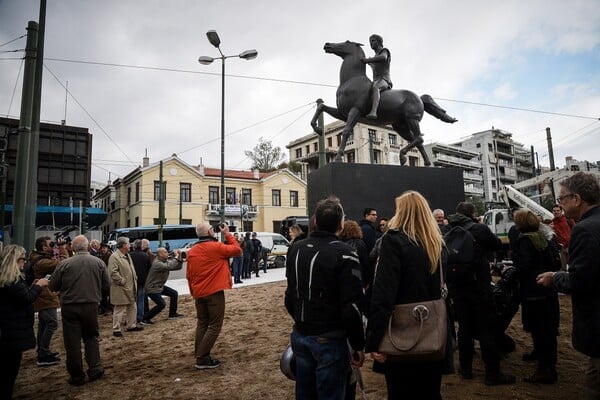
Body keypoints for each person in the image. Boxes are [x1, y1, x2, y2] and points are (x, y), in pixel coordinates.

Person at [364, 191, 445, 399]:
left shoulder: (393, 241)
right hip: (433, 333)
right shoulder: (435, 243)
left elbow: (383, 294)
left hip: (401, 335)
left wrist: (374, 340)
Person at [285, 199, 365, 400]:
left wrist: (302, 321)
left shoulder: (296, 248)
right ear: (341, 224)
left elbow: (290, 295)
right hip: (329, 338)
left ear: (315, 222)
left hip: (301, 333)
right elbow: (351, 305)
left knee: (305, 392)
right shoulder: (345, 253)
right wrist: (358, 344)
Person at [537, 172, 600, 398]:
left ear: (577, 199)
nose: (559, 204)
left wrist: (555, 277)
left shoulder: (584, 229)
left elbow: (580, 280)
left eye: (562, 198)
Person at [446, 201, 515, 385]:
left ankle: (465, 369)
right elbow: (497, 245)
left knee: (464, 327)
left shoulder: (448, 229)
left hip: (456, 286)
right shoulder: (479, 229)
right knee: (486, 328)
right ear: (472, 213)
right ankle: (492, 373)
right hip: (479, 285)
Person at [48, 235, 110, 386]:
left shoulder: (64, 264)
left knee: (72, 342)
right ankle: (95, 368)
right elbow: (107, 285)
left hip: (70, 306)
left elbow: (53, 286)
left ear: (73, 248)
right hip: (91, 305)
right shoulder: (98, 262)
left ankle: (76, 375)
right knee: (91, 337)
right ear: (88, 247)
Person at [509, 210, 560, 384]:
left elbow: (522, 267)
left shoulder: (524, 241)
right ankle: (542, 356)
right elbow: (557, 262)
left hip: (532, 291)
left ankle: (546, 369)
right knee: (548, 329)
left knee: (540, 329)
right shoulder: (548, 238)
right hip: (548, 289)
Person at [186, 222, 241, 369]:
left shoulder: (192, 251)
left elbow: (189, 274)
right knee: (215, 325)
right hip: (214, 291)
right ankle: (202, 358)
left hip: (199, 292)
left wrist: (193, 291)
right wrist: (227, 233)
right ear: (209, 233)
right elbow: (237, 250)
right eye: (212, 229)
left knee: (202, 323)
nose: (213, 230)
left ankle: (200, 353)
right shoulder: (215, 247)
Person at [0, 245, 48, 399]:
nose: (25, 263)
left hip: (7, 330)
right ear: (17, 260)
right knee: (9, 373)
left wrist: (31, 287)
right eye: (23, 259)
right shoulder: (13, 279)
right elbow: (25, 299)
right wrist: (39, 286)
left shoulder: (6, 279)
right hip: (12, 332)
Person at [29, 236, 69, 366]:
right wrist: (62, 249)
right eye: (50, 244)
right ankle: (43, 354)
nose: (53, 246)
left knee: (44, 324)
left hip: (45, 296)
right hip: (45, 297)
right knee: (51, 323)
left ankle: (43, 352)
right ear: (43, 247)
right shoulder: (41, 261)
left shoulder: (39, 258)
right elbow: (63, 264)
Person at [108, 237, 144, 337]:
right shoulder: (114, 256)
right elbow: (112, 272)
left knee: (132, 306)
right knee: (119, 308)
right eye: (128, 243)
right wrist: (122, 281)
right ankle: (116, 329)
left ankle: (131, 325)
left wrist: (134, 278)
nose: (130, 245)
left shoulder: (127, 255)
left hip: (130, 287)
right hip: (121, 288)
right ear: (123, 245)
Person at [140, 247, 184, 324]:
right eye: (165, 252)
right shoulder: (157, 263)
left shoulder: (164, 261)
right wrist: (176, 256)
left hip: (159, 286)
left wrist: (179, 256)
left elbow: (177, 267)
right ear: (160, 254)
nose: (167, 253)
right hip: (152, 288)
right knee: (161, 304)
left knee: (174, 293)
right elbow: (169, 266)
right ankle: (145, 318)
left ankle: (172, 314)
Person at [360, 34, 392, 119]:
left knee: (376, 88)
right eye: (370, 41)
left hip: (384, 80)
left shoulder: (384, 51)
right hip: (375, 80)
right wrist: (369, 63)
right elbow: (374, 66)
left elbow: (383, 57)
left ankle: (373, 112)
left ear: (379, 42)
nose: (371, 43)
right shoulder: (375, 57)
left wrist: (368, 60)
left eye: (373, 40)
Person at [130, 239, 152, 324]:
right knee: (141, 299)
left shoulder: (130, 255)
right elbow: (149, 268)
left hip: (132, 280)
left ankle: (132, 317)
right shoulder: (145, 255)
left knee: (132, 300)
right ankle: (140, 316)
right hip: (143, 280)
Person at [551, 204, 572, 270]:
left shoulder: (567, 218)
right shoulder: (552, 222)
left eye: (558, 210)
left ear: (561, 211)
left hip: (570, 245)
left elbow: (575, 228)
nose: (556, 212)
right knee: (564, 268)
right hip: (561, 248)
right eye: (554, 211)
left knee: (574, 264)